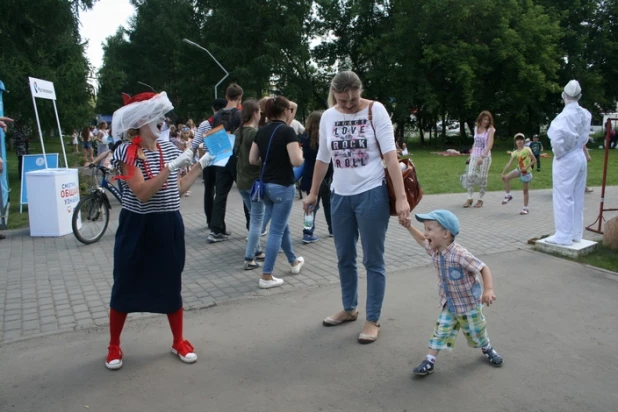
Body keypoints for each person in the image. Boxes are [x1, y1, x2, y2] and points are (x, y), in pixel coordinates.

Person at [104, 91, 215, 371]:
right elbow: (142, 193)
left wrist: (200, 166)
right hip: (138, 228)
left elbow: (177, 189)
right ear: (140, 122)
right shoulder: (126, 151)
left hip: (168, 224)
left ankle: (178, 340)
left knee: (170, 282)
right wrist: (169, 169)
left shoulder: (168, 149)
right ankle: (114, 345)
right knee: (126, 283)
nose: (163, 121)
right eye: (156, 116)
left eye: (162, 116)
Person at [303, 70, 410, 344]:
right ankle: (349, 308)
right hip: (339, 195)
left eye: (353, 99)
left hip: (371, 194)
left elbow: (390, 155)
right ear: (334, 95)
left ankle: (372, 319)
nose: (349, 105)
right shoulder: (328, 116)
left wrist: (401, 198)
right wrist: (313, 192)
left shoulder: (377, 111)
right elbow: (322, 158)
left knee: (373, 260)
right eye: (342, 101)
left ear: (359, 91)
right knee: (344, 257)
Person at [403, 209, 503, 376]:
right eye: (425, 229)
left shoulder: (460, 254)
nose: (425, 233)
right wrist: (409, 227)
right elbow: (421, 239)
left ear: (445, 234)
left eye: (429, 229)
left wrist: (488, 289)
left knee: (476, 332)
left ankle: (487, 348)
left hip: (468, 304)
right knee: (440, 331)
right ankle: (429, 361)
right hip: (449, 304)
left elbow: (483, 268)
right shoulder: (435, 249)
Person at [249, 95, 305, 289]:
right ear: (285, 111)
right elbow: (297, 161)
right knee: (277, 230)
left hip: (265, 186)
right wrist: (300, 154)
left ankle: (293, 261)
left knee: (282, 226)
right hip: (283, 185)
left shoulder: (261, 131)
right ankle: (266, 275)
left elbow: (252, 159)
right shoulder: (288, 132)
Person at [545, 80, 592, 246]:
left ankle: (563, 235)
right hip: (579, 154)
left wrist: (560, 153)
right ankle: (575, 233)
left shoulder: (563, 116)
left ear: (564, 95)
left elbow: (556, 138)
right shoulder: (585, 113)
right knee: (577, 196)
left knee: (563, 196)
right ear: (579, 96)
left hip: (567, 156)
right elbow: (585, 135)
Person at [208, 84, 244, 243]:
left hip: (221, 156)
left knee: (220, 194)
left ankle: (216, 229)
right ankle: (254, 226)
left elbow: (213, 137)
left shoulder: (217, 116)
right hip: (236, 158)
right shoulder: (239, 115)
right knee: (245, 192)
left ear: (226, 96)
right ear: (240, 97)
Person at [235, 100, 266, 270]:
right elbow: (257, 159)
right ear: (255, 113)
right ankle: (249, 257)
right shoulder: (254, 133)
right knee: (257, 221)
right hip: (255, 183)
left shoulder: (238, 131)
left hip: (241, 181)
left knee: (253, 214)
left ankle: (258, 250)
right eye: (259, 111)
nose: (260, 114)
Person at [299, 111, 332, 243]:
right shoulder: (325, 136)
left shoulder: (304, 137)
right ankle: (332, 229)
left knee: (311, 206)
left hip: (310, 176)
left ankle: (308, 232)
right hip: (326, 176)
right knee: (328, 205)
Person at [463, 111, 495, 208]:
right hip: (474, 155)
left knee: (482, 177)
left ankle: (480, 199)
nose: (486, 121)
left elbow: (490, 145)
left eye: (488, 120)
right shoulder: (476, 128)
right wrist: (470, 154)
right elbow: (475, 142)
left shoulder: (490, 130)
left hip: (485, 157)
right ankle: (469, 197)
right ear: (480, 119)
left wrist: (482, 156)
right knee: (470, 175)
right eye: (484, 119)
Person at [500, 133, 536, 215]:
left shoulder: (527, 149)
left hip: (526, 173)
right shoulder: (515, 152)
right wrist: (503, 173)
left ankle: (525, 208)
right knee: (506, 178)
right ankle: (508, 195)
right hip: (518, 170)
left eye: (521, 139)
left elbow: (534, 160)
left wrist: (526, 167)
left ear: (523, 141)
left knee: (525, 191)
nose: (519, 141)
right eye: (517, 140)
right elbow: (509, 163)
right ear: (515, 142)